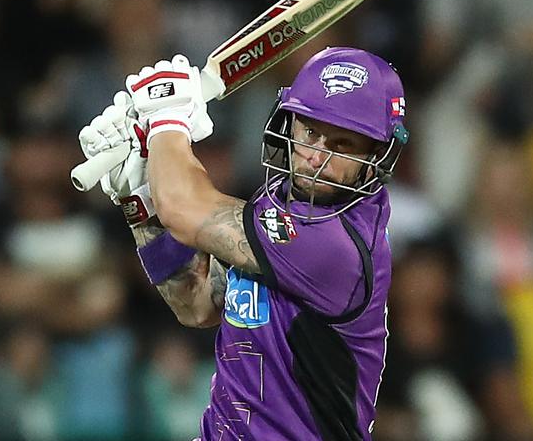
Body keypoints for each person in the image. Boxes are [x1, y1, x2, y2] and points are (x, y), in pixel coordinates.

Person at [78, 47, 409, 440]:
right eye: (311, 132)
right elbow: (197, 303)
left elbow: (184, 208)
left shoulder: (338, 246)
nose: (316, 157)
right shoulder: (281, 200)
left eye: (341, 145)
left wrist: (166, 120)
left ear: (378, 154)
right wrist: (141, 195)